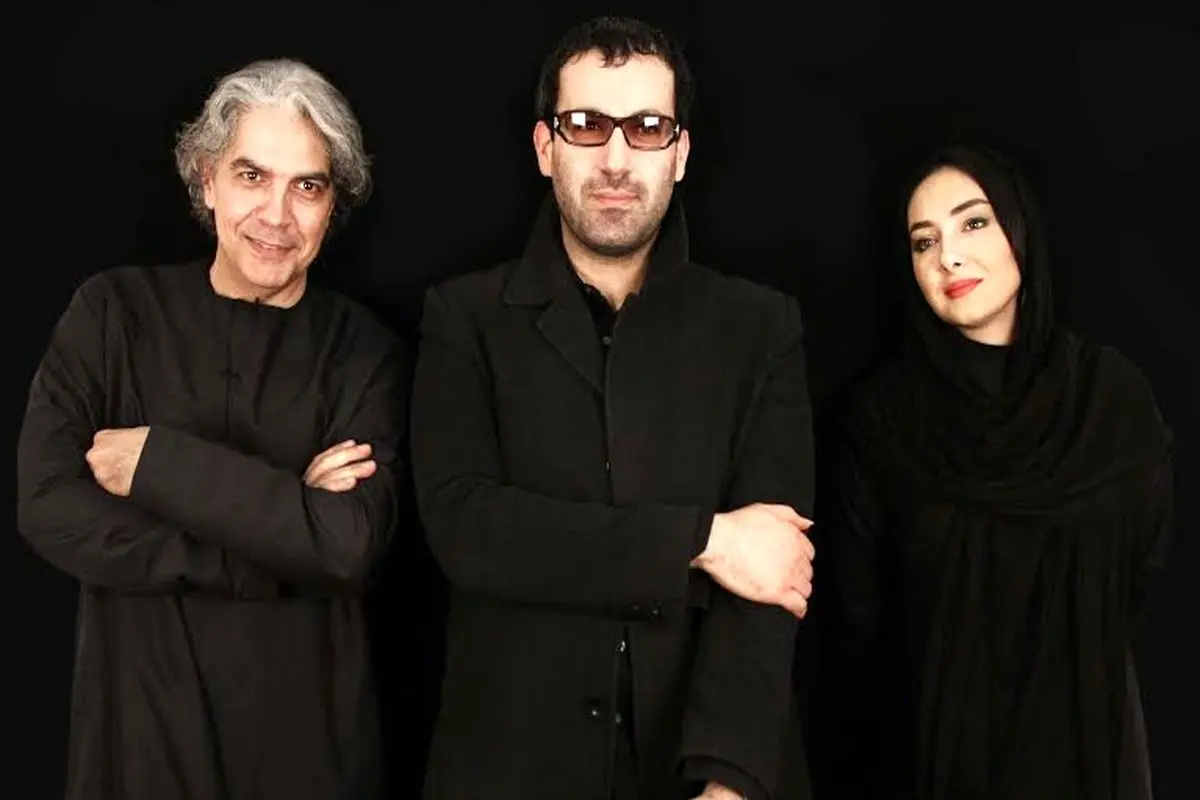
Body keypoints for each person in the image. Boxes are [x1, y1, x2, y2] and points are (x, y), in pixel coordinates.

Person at [410, 15, 817, 800]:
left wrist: (729, 782)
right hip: (509, 771)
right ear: (545, 147)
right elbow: (470, 530)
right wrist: (702, 541)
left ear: (681, 153)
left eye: (648, 128)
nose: (617, 159)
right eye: (588, 125)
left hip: (703, 771)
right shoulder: (463, 318)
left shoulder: (761, 328)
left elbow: (771, 577)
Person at [16, 58, 408, 800]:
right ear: (206, 180)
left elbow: (347, 543)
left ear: (333, 204)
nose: (277, 215)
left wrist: (158, 464)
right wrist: (282, 529)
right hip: (139, 736)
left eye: (308, 187)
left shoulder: (366, 351)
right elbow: (47, 507)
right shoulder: (112, 314)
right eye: (251, 176)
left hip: (305, 748)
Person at [815, 146, 1174, 800]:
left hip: (1092, 758)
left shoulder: (1109, 400)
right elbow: (857, 625)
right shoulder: (884, 421)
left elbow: (1143, 575)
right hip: (932, 767)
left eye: (973, 223)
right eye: (925, 241)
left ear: (1019, 229)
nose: (948, 257)